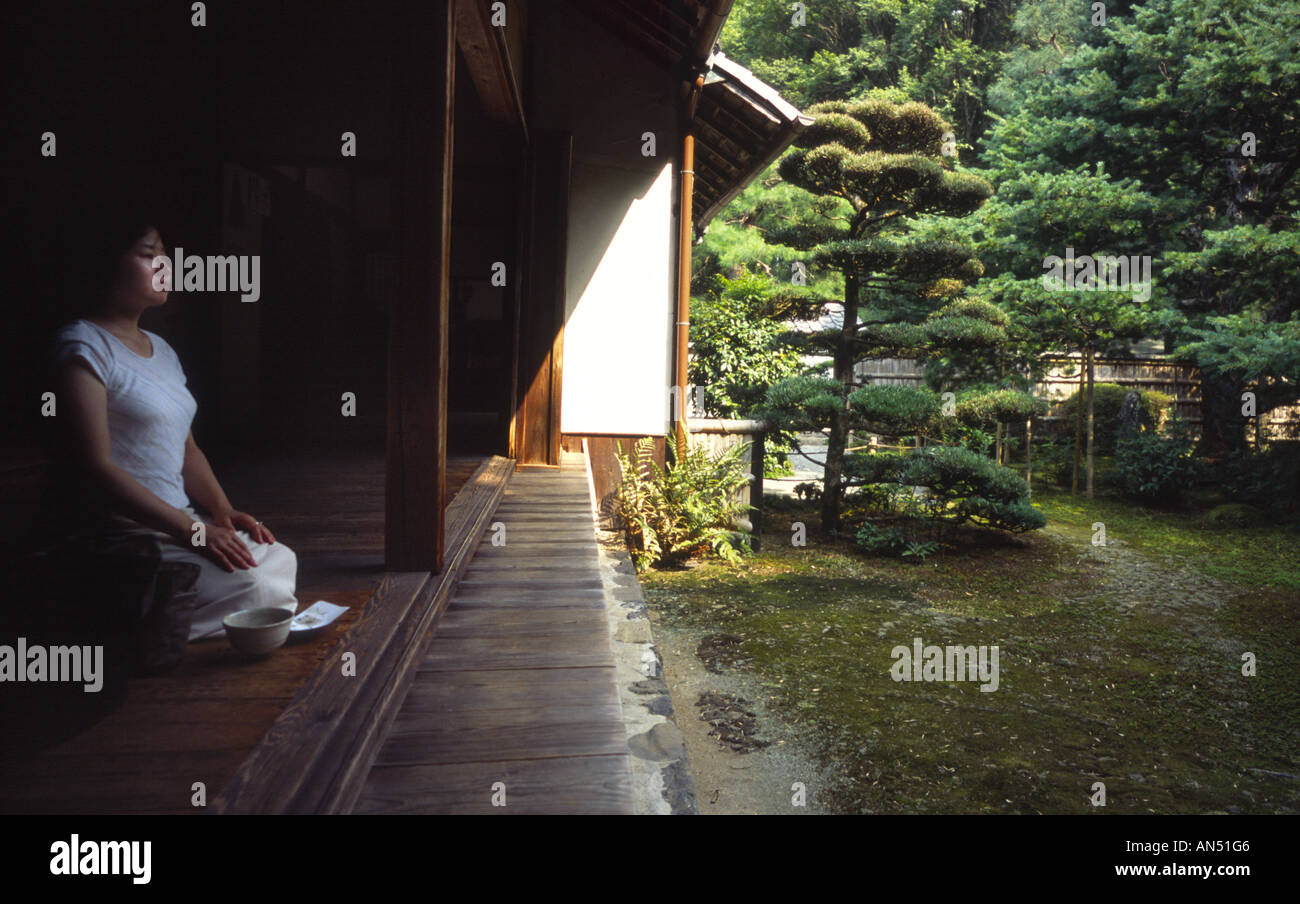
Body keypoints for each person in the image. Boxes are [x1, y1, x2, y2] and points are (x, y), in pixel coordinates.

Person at [44, 203, 297, 641]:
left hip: (182, 522)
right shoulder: (82, 346)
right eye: (148, 253)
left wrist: (221, 512)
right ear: (106, 261)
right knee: (252, 583)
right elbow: (95, 468)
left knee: (279, 557)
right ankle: (146, 625)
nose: (164, 263)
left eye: (164, 252)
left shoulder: (161, 348)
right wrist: (193, 531)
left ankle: (175, 615)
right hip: (128, 534)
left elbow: (187, 448)